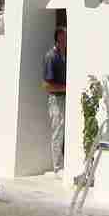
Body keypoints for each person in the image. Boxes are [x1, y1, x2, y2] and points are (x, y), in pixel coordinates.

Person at [41, 26, 67, 176]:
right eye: (64, 37)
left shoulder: (65, 56)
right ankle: (58, 168)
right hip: (56, 100)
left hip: (64, 98)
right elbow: (47, 84)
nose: (66, 40)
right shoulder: (51, 57)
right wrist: (66, 88)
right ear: (59, 38)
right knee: (57, 132)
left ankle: (62, 164)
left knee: (63, 131)